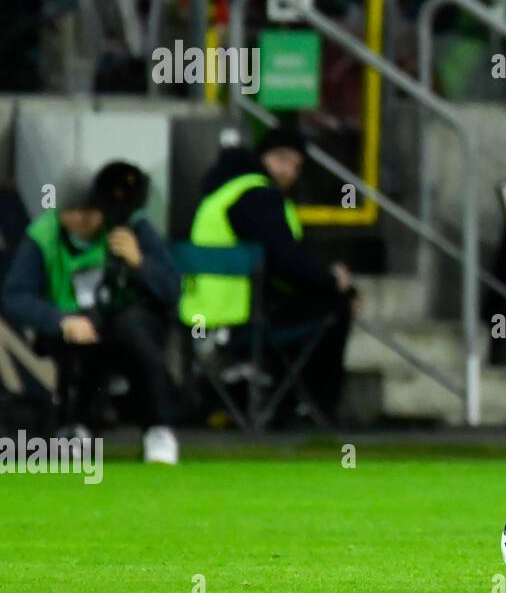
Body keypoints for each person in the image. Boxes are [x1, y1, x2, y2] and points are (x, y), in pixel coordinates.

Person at [0, 162, 183, 463]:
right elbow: (15, 296)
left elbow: (172, 288)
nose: (81, 219)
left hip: (127, 321)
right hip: (73, 323)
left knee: (135, 333)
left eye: (90, 211)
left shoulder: (130, 227)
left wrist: (140, 263)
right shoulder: (43, 236)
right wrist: (60, 320)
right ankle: (78, 426)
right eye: (73, 211)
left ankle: (157, 429)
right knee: (80, 343)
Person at [182, 128, 357, 426]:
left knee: (311, 300)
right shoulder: (257, 195)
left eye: (297, 165)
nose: (290, 171)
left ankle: (282, 402)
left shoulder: (221, 192)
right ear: (262, 158)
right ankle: (310, 408)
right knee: (336, 303)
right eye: (283, 160)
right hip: (238, 317)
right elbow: (286, 260)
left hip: (199, 313)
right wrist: (333, 282)